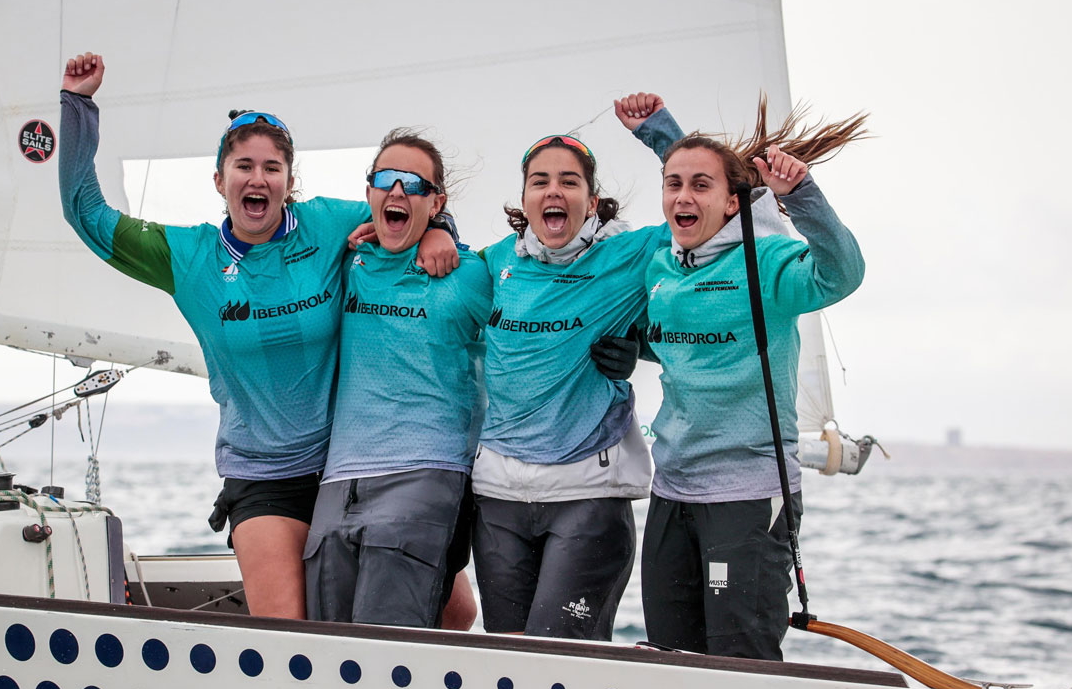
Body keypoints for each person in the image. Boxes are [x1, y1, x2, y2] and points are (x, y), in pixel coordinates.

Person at [58, 53, 458, 620]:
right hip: (263, 476)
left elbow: (405, 205)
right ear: (220, 180)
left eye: (272, 168)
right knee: (287, 628)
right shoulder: (188, 257)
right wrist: (79, 105)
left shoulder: (326, 223)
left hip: (348, 464)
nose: (258, 178)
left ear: (289, 182)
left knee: (455, 612)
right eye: (243, 166)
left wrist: (439, 229)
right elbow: (86, 213)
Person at [624, 95, 867, 660]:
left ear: (735, 204)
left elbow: (843, 273)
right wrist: (658, 131)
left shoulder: (767, 262)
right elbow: (686, 347)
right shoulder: (662, 262)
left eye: (701, 188)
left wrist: (801, 197)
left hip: (748, 493)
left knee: (739, 663)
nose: (682, 197)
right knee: (669, 655)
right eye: (671, 185)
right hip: (673, 488)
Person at [468, 133, 671, 641]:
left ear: (592, 198)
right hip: (497, 495)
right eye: (540, 181)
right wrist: (438, 233)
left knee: (558, 660)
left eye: (569, 181)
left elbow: (717, 217)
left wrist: (642, 347)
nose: (553, 191)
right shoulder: (495, 262)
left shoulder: (628, 253)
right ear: (525, 200)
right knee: (507, 660)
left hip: (587, 492)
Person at [303, 130, 492, 628]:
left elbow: (530, 337)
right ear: (368, 193)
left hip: (425, 472)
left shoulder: (466, 273)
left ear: (437, 200)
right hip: (338, 481)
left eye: (414, 184)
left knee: (383, 651)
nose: (398, 192)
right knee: (326, 641)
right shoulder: (349, 263)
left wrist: (442, 231)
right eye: (385, 180)